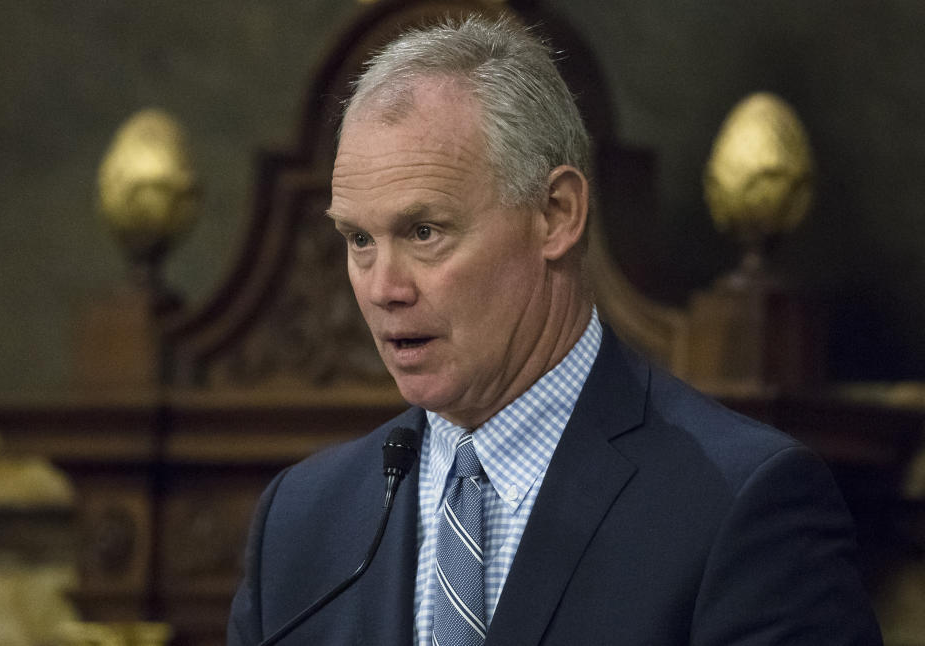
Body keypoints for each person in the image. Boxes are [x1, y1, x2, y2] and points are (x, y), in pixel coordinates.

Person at [228, 14, 882, 646]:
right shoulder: (300, 522)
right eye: (358, 239)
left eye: (424, 232)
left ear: (557, 214)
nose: (382, 288)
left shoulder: (741, 504)